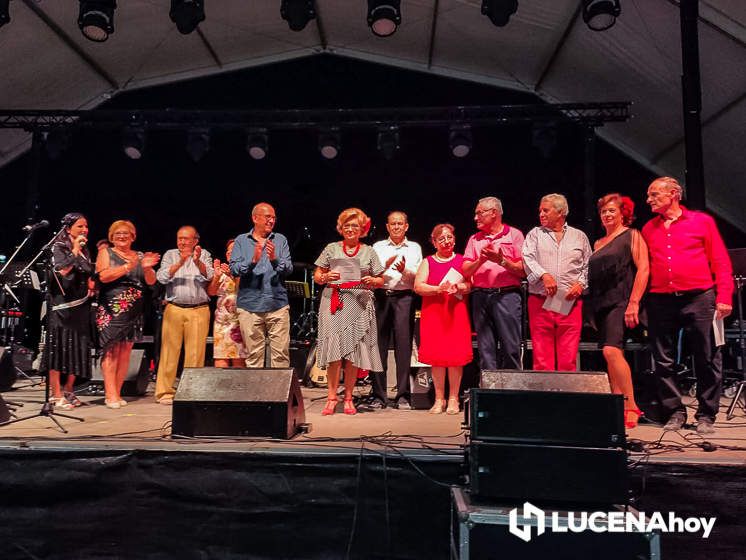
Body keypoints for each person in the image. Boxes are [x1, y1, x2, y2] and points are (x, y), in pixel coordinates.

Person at [642, 177, 733, 435]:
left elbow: (720, 260)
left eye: (654, 194)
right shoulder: (649, 228)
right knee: (663, 359)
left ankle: (706, 414)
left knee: (707, 355)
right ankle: (674, 411)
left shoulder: (701, 222)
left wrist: (724, 295)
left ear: (673, 194)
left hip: (700, 297)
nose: (648, 200)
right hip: (661, 299)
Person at [313, 208, 385, 416]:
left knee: (353, 353)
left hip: (359, 303)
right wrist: (325, 277)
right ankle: (331, 397)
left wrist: (373, 281)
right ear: (341, 228)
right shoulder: (331, 248)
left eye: (355, 226)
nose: (351, 229)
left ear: (362, 229)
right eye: (347, 226)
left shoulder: (369, 251)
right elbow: (318, 274)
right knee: (334, 351)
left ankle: (348, 398)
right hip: (334, 302)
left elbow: (381, 279)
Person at [588, 194, 649, 429]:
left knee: (612, 351)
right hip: (601, 304)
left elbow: (643, 269)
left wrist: (634, 302)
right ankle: (618, 405)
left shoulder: (632, 235)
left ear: (623, 213)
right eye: (604, 211)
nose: (607, 214)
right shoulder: (598, 243)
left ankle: (631, 405)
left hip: (622, 301)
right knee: (610, 353)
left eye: (612, 210)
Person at [522, 194, 591, 371]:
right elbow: (527, 258)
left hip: (569, 301)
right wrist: (544, 274)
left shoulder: (579, 236)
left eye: (546, 210)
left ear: (560, 212)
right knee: (542, 357)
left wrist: (581, 284)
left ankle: (566, 396)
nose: (541, 214)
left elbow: (588, 265)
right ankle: (546, 396)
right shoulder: (534, 234)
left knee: (568, 356)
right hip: (540, 301)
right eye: (540, 211)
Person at [96, 220, 159, 409]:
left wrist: (147, 268)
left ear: (133, 236)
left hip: (135, 308)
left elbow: (151, 282)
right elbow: (103, 276)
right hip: (113, 306)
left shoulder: (139, 255)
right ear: (111, 237)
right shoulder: (105, 253)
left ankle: (118, 390)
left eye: (125, 233)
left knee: (125, 351)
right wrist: (128, 267)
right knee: (111, 349)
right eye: (117, 233)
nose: (121, 236)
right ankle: (110, 394)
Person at [414, 224, 472, 414]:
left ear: (454, 239)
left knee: (455, 356)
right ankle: (440, 399)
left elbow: (469, 285)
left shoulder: (463, 260)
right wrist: (438, 289)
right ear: (434, 242)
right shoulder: (428, 261)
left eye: (449, 238)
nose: (446, 242)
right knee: (437, 357)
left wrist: (459, 288)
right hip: (434, 313)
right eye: (441, 239)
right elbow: (418, 286)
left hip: (456, 312)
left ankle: (454, 398)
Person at [462, 196, 525, 371]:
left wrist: (502, 261)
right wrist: (480, 261)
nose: (475, 218)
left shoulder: (514, 235)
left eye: (479, 213)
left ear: (494, 213)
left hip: (507, 296)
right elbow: (466, 270)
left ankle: (512, 392)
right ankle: (488, 392)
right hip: (480, 296)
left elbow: (523, 270)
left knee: (511, 347)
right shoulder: (474, 239)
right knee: (485, 349)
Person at [154, 226, 213, 404]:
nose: (182, 242)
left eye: (186, 239)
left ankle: (191, 392)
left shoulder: (203, 254)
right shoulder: (170, 254)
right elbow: (161, 277)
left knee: (195, 353)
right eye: (179, 238)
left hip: (198, 309)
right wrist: (180, 262)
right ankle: (165, 392)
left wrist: (197, 262)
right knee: (169, 352)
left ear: (196, 240)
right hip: (174, 307)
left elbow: (210, 275)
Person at [230, 203, 293, 368]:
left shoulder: (280, 240)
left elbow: (288, 268)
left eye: (274, 218)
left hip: (277, 304)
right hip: (249, 306)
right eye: (267, 217)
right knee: (253, 357)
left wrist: (275, 259)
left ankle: (279, 394)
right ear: (254, 218)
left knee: (280, 356)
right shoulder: (241, 240)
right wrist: (252, 261)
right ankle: (256, 394)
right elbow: (234, 269)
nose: (271, 220)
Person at [372, 211, 423, 409]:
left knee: (403, 347)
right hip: (381, 296)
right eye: (393, 224)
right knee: (378, 346)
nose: (396, 227)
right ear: (387, 226)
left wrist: (404, 271)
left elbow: (417, 278)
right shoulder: (378, 247)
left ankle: (403, 395)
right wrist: (382, 268)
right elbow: (371, 273)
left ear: (406, 226)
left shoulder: (414, 248)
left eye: (400, 223)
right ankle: (378, 395)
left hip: (404, 298)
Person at [43, 213, 94, 410]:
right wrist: (74, 249)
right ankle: (56, 394)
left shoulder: (85, 249)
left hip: (81, 307)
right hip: (63, 307)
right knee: (59, 350)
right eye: (80, 226)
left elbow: (87, 271)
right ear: (68, 228)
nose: (84, 230)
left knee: (77, 349)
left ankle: (69, 389)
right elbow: (62, 271)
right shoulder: (59, 247)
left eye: (86, 226)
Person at [208, 239, 247, 368]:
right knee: (220, 358)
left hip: (239, 323)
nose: (231, 254)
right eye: (229, 252)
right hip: (221, 324)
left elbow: (243, 290)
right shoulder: (222, 273)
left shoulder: (245, 272)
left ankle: (239, 388)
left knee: (239, 360)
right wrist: (217, 277)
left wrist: (233, 274)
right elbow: (211, 292)